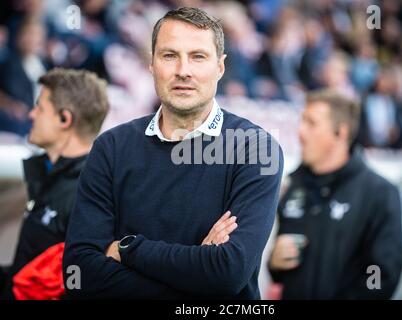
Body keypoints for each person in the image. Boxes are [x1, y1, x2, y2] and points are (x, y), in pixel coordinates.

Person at [63, 7, 283, 299]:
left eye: (198, 56)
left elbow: (229, 272)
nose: (183, 70)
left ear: (220, 67)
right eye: (169, 55)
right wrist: (196, 277)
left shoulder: (255, 149)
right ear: (152, 65)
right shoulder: (111, 147)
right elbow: (79, 273)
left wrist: (128, 249)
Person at [268, 89, 402, 299]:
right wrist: (274, 263)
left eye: (311, 123)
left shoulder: (379, 193)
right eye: (302, 121)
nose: (300, 132)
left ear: (340, 133)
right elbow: (282, 269)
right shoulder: (293, 186)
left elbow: (380, 273)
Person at [0, 68, 110, 299]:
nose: (31, 114)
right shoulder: (49, 173)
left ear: (64, 119)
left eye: (40, 107)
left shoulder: (87, 195)